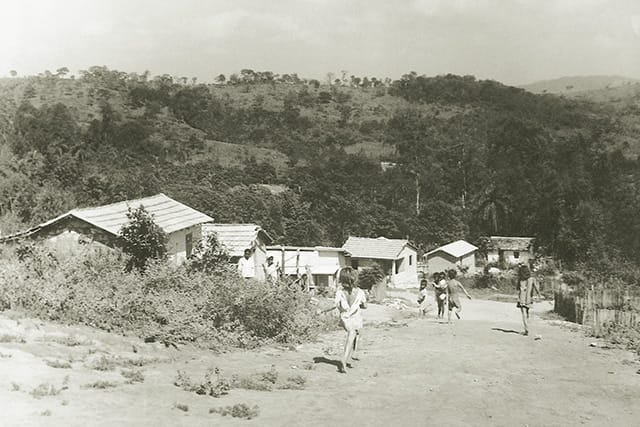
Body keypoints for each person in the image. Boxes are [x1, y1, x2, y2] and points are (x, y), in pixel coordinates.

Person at [319, 267, 367, 373]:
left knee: (357, 332)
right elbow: (365, 306)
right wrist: (362, 305)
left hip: (346, 316)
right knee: (353, 333)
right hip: (352, 316)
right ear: (355, 279)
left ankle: (354, 353)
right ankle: (344, 360)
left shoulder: (340, 292)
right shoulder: (360, 292)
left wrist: (322, 310)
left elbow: (334, 305)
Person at [516, 264, 541, 336]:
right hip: (529, 298)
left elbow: (518, 288)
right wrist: (539, 295)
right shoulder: (532, 279)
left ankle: (526, 329)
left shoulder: (520, 280)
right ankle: (527, 327)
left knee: (523, 314)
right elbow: (536, 288)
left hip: (521, 298)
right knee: (527, 313)